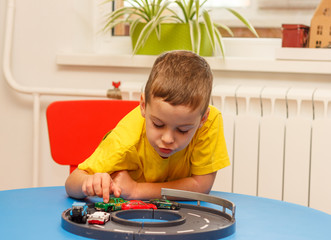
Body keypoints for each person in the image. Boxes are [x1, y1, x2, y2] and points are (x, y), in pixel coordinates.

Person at [65, 50, 230, 203]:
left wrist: (137, 190)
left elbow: (201, 186)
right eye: (158, 124)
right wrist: (88, 182)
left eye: (183, 130)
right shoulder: (125, 141)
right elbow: (72, 182)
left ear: (203, 118)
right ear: (143, 106)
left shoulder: (210, 122)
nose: (167, 139)